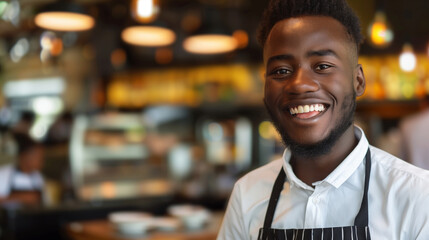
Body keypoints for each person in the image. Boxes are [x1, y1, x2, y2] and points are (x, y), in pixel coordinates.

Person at [217, 0, 429, 239]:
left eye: (323, 66)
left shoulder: (417, 195)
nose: (300, 84)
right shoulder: (247, 195)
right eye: (281, 71)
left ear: (358, 81)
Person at [0, 133, 46, 207]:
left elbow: (45, 203)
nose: (41, 161)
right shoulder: (3, 174)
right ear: (24, 156)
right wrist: (21, 198)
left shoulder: (38, 177)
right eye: (37, 156)